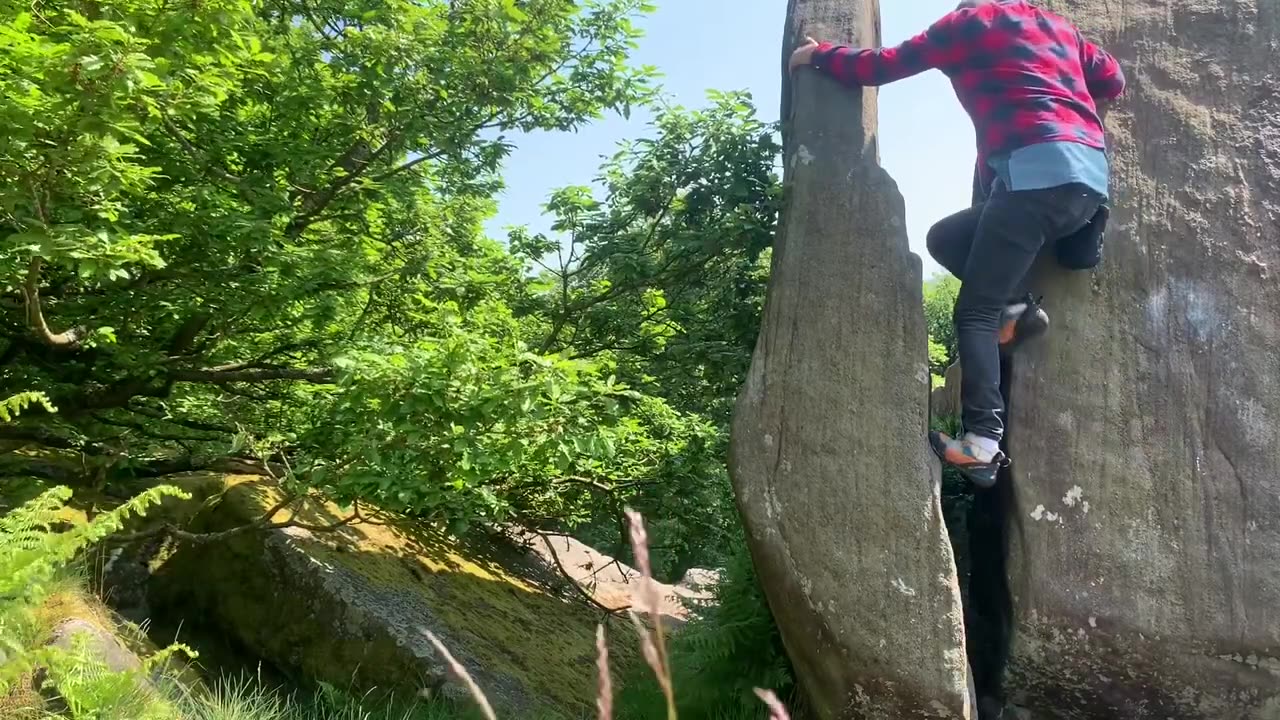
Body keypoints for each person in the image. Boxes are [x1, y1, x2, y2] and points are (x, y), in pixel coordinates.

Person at [788, 0, 1124, 488]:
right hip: (1088, 183)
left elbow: (880, 66)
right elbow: (1111, 79)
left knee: (973, 313)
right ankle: (1020, 303)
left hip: (1033, 182)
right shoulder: (1056, 27)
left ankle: (982, 444)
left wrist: (818, 57)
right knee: (945, 237)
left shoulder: (967, 25)